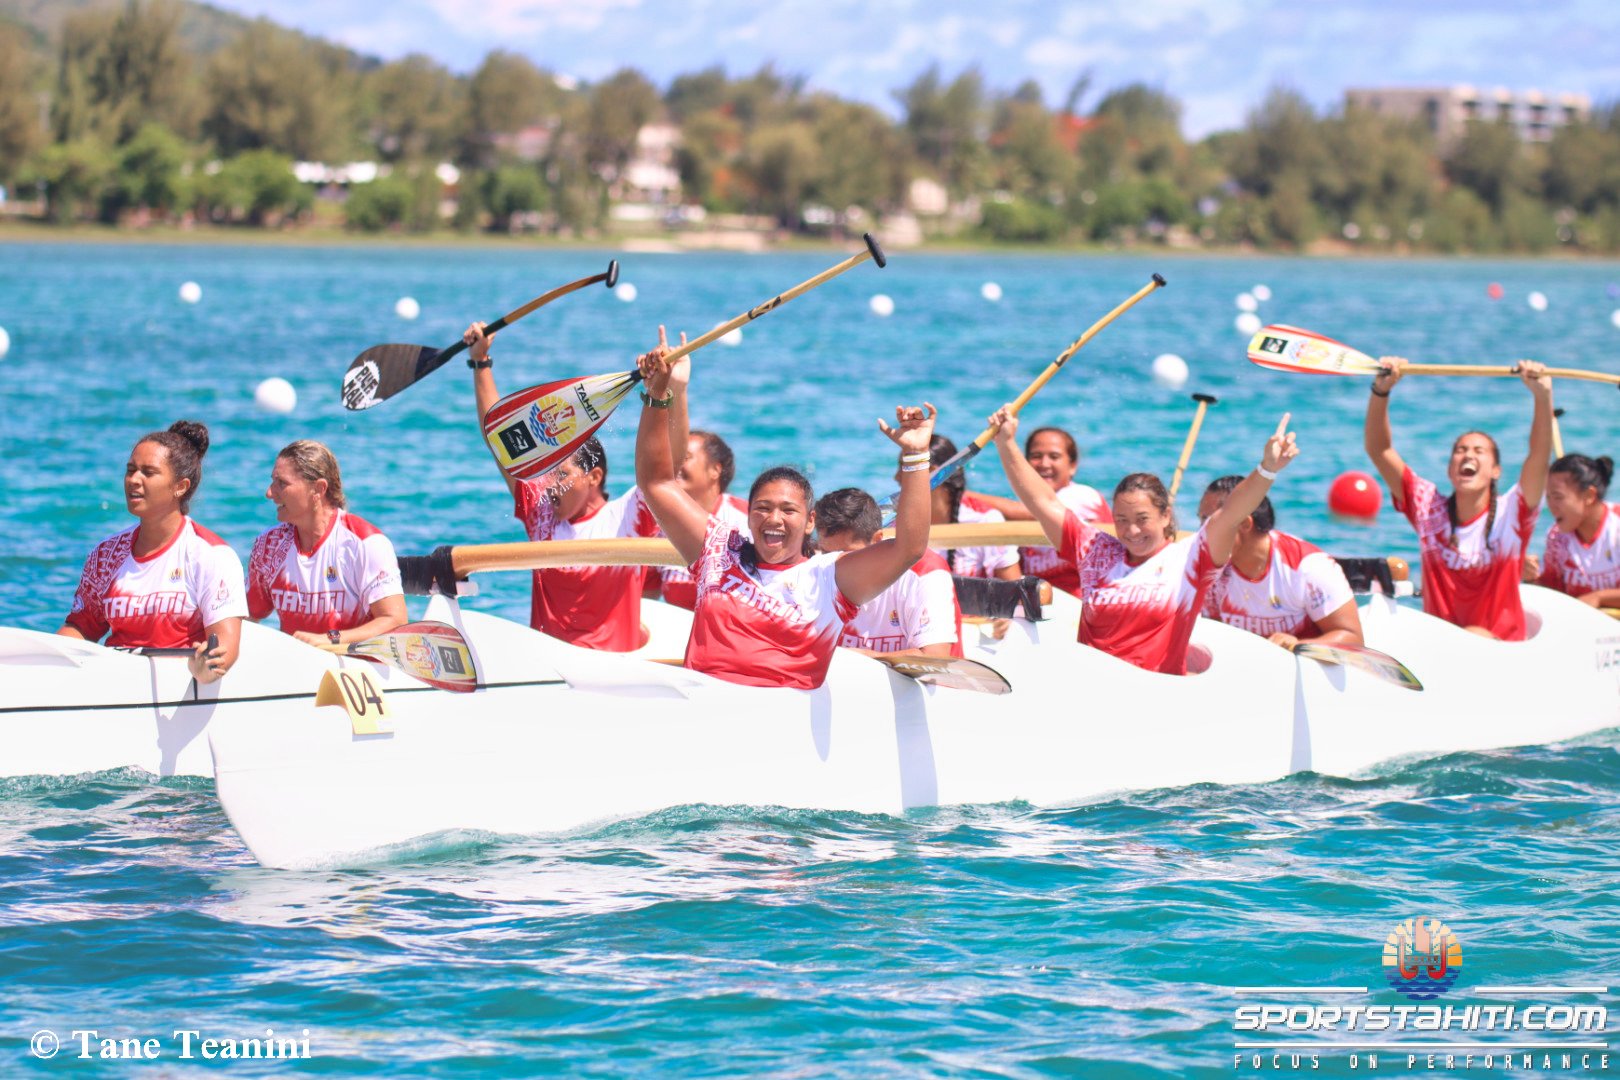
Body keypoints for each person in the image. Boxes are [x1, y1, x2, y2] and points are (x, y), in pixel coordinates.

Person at [634, 327, 937, 690]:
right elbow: (656, 482)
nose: (773, 519)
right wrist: (658, 394)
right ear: (747, 515)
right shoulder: (717, 550)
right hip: (705, 711)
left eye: (788, 510)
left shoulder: (829, 578)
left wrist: (915, 455)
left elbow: (909, 548)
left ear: (810, 521)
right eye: (762, 507)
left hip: (781, 725)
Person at [990, 406, 1299, 675]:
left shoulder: (1191, 558)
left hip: (1155, 697)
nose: (1132, 532)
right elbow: (1043, 502)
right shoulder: (1096, 550)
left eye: (1142, 520)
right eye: (1121, 521)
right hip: (1087, 687)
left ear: (1166, 516)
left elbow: (1232, 512)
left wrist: (1267, 469)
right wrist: (1006, 443)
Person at [465, 320, 666, 652]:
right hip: (550, 671)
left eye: (561, 474)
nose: (549, 484)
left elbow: (661, 469)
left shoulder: (629, 517)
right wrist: (481, 362)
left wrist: (661, 391)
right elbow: (500, 442)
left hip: (614, 671)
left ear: (594, 477)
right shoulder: (540, 513)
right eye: (547, 474)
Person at [1364, 358, 1553, 640]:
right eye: (1460, 450)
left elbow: (1538, 455)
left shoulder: (1513, 513)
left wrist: (1542, 397)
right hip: (1444, 651)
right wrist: (1381, 391)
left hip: (1501, 652)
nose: (1468, 455)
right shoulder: (1429, 507)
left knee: (1474, 633)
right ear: (1450, 469)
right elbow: (1379, 450)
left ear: (1495, 470)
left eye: (1479, 451)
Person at [59, 421, 244, 683]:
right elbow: (80, 628)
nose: (134, 480)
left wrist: (204, 669)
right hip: (113, 687)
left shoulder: (211, 556)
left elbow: (224, 651)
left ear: (180, 486)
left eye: (148, 472)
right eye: (130, 470)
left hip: (181, 692)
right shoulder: (106, 555)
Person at [247, 440, 407, 647]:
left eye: (282, 483)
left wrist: (331, 639)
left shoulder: (365, 543)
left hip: (357, 668)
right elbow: (248, 618)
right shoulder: (268, 546)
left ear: (318, 489)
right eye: (272, 482)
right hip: (296, 669)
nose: (269, 493)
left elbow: (395, 621)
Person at [1197, 474, 1364, 650]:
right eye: (1200, 520)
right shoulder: (1207, 565)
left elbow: (1353, 639)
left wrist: (1298, 645)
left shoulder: (1308, 567)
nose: (1201, 532)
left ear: (1245, 524)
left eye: (1209, 521)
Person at [815, 487, 962, 658]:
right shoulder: (817, 567)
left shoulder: (925, 573)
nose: (836, 565)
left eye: (847, 554)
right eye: (827, 554)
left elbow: (935, 657)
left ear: (877, 540)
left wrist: (858, 658)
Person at [968, 424, 1110, 594]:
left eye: (1054, 456)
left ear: (1072, 466)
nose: (1044, 464)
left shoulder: (1084, 497)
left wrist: (961, 495)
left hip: (1088, 601)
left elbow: (1034, 512)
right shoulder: (1019, 512)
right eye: (1036, 456)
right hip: (1043, 604)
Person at [645, 428, 749, 610]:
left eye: (684, 457)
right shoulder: (659, 526)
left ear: (715, 470)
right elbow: (646, 600)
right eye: (672, 458)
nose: (673, 465)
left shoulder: (748, 522)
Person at [916, 436, 1020, 581]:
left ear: (931, 474)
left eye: (904, 468)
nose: (896, 477)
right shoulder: (898, 523)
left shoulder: (985, 520)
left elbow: (1015, 592)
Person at [1534, 454, 1620, 607]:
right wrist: (1531, 577)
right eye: (1548, 497)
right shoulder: (1556, 538)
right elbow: (1551, 596)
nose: (1551, 506)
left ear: (1589, 495)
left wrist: (1599, 598)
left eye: (1558, 497)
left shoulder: (1616, 526)